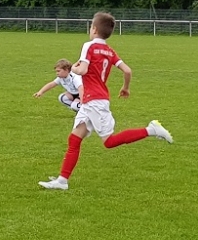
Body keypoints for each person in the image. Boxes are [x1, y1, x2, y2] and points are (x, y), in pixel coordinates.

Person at [38, 12, 173, 191]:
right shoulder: (109, 51)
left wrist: (74, 69)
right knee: (74, 139)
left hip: (95, 101)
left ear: (94, 29)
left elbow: (82, 70)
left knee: (109, 141)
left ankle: (151, 129)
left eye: (90, 27)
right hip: (91, 101)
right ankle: (62, 181)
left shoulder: (89, 46)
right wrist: (125, 88)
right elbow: (127, 71)